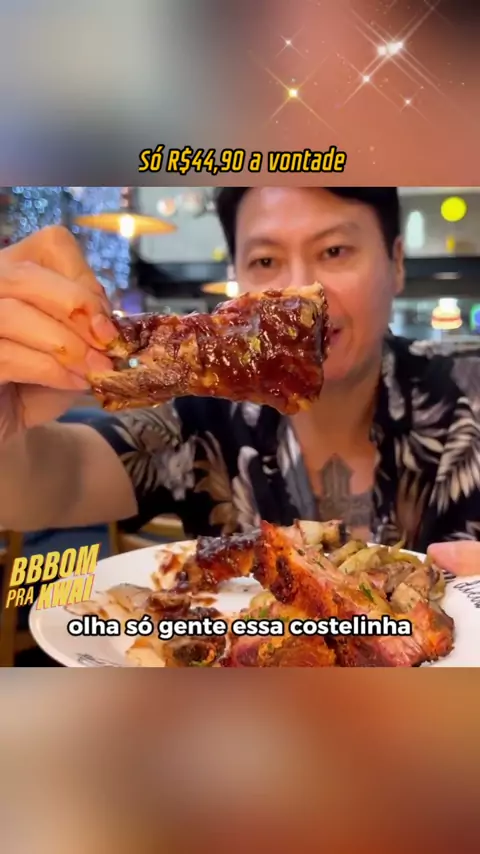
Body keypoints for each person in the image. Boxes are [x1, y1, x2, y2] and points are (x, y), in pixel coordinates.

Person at [0, 188, 479, 579]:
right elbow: (51, 482)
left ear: (397, 262)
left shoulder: (468, 393)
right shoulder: (197, 417)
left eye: (334, 251)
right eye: (266, 262)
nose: (301, 294)